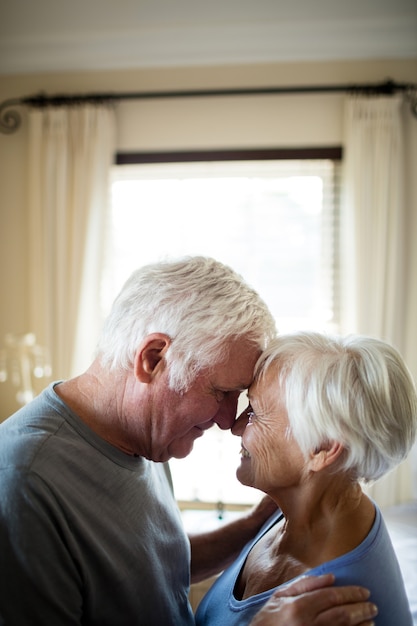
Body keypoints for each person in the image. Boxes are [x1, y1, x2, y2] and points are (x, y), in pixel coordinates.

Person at [0, 257, 377, 626]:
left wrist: (254, 524)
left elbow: (150, 569)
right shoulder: (24, 482)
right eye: (221, 391)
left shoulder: (145, 434)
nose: (230, 420)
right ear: (153, 358)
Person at [195, 331, 417, 626]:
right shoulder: (289, 513)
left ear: (322, 448)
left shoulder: (336, 608)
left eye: (255, 413)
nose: (234, 426)